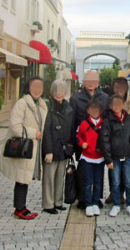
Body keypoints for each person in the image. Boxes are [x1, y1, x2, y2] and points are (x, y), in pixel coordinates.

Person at [0, 76, 47, 220]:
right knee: (21, 178)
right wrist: (34, 133)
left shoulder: (40, 104)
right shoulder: (22, 104)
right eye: (34, 87)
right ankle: (20, 208)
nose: (37, 90)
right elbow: (15, 126)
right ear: (28, 88)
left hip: (32, 147)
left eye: (40, 87)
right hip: (24, 146)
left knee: (24, 178)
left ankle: (21, 206)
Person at [70, 71, 108, 208]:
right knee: (83, 173)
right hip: (83, 142)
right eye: (88, 79)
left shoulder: (104, 97)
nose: (91, 82)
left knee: (98, 172)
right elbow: (72, 122)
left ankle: (96, 198)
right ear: (83, 81)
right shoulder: (75, 98)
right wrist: (74, 143)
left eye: (94, 79)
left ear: (98, 81)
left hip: (99, 142)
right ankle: (83, 198)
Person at [100, 95, 130, 217]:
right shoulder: (107, 121)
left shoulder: (128, 118)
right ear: (110, 106)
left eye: (119, 104)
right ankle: (116, 204)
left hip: (128, 156)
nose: (117, 106)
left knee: (128, 182)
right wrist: (108, 159)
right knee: (115, 182)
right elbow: (104, 140)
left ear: (123, 105)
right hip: (114, 158)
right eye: (114, 104)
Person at [41, 80, 75, 215]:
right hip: (52, 147)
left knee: (60, 176)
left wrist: (70, 146)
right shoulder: (47, 108)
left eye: (61, 91)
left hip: (64, 147)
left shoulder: (69, 108)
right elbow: (46, 131)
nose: (58, 94)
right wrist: (48, 150)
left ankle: (58, 202)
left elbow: (71, 128)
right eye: (56, 91)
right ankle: (48, 203)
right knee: (49, 177)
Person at [105, 77, 130, 204]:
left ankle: (122, 194)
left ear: (126, 88)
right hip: (113, 141)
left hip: (125, 142)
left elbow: (129, 120)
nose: (120, 90)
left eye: (122, 88)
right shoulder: (109, 100)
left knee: (125, 172)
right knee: (112, 170)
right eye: (117, 88)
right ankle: (113, 192)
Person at [76, 99, 105, 217]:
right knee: (88, 183)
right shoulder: (83, 124)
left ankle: (95, 203)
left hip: (100, 158)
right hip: (87, 158)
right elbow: (77, 136)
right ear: (88, 110)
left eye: (97, 109)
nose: (94, 111)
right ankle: (88, 204)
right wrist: (81, 143)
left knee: (98, 182)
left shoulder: (104, 123)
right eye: (92, 109)